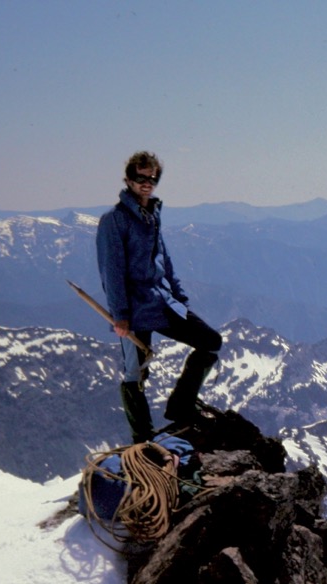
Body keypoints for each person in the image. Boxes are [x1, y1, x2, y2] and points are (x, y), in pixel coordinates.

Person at [96, 151, 222, 443]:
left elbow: (163, 260)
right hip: (135, 309)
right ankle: (142, 439)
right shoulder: (114, 221)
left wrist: (179, 298)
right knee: (134, 374)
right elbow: (111, 271)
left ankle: (181, 406)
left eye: (152, 178)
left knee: (211, 342)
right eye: (141, 177)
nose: (147, 183)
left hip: (162, 302)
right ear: (128, 179)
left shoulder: (151, 215)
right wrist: (120, 316)